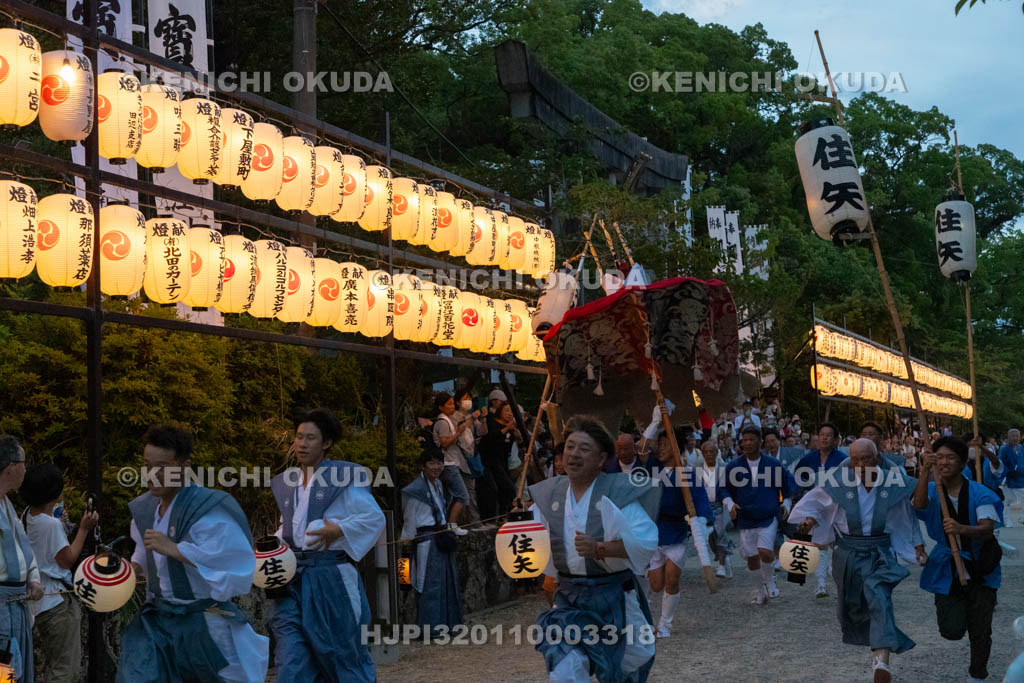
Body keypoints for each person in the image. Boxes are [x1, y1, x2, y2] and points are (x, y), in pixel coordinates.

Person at [119, 425, 268, 683]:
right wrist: (129, 570)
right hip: (159, 621)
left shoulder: (208, 509)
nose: (151, 474)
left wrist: (176, 549)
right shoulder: (145, 510)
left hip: (205, 621)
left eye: (162, 467)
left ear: (185, 467)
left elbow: (234, 563)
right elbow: (142, 558)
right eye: (146, 465)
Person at [528, 416, 660, 682]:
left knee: (631, 660)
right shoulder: (548, 496)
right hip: (569, 597)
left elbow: (645, 542)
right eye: (570, 447)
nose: (574, 454)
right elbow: (536, 545)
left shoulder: (617, 492)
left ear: (601, 459)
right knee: (565, 667)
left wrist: (600, 548)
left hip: (614, 593)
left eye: (584, 449)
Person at [788, 439, 927, 683]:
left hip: (879, 553)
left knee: (880, 599)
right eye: (855, 459)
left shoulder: (892, 483)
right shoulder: (838, 482)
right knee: (851, 609)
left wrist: (917, 545)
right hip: (848, 554)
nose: (861, 464)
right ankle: (878, 647)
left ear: (877, 458)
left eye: (866, 458)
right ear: (849, 460)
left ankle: (881, 659)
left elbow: (907, 516)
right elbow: (814, 505)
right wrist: (809, 521)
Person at [269, 409, 385, 683]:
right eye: (299, 437)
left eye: (310, 438)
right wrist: (269, 549)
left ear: (326, 443)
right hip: (294, 580)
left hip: (332, 576)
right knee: (290, 661)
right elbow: (290, 529)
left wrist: (340, 529)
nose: (302, 443)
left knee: (342, 656)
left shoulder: (343, 478)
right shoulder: (291, 483)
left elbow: (373, 517)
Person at [913, 437, 1003, 683]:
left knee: (981, 629)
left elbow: (986, 528)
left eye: (950, 457)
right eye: (939, 457)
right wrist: (924, 470)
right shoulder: (933, 491)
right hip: (946, 566)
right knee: (951, 630)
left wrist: (962, 529)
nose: (944, 462)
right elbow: (918, 505)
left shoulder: (980, 492)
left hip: (980, 564)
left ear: (963, 462)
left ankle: (977, 676)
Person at [21, 464, 98, 683]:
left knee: (49, 664)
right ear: (54, 492)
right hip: (56, 603)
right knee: (65, 669)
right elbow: (66, 560)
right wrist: (83, 529)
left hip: (38, 602)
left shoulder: (27, 515)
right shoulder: (51, 525)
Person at [647, 429, 713, 638]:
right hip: (653, 533)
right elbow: (641, 450)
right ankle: (646, 617)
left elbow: (700, 505)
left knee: (673, 580)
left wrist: (700, 521)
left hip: (676, 534)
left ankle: (665, 624)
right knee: (656, 585)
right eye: (659, 445)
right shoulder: (651, 470)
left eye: (666, 445)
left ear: (677, 448)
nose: (661, 449)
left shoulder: (689, 475)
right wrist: (657, 422)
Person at [721, 426, 796, 604]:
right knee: (752, 558)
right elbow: (723, 489)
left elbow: (787, 485)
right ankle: (758, 589)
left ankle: (770, 582)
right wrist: (730, 503)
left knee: (765, 552)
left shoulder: (772, 463)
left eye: (751, 439)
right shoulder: (734, 465)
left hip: (767, 515)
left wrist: (785, 502)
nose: (747, 443)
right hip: (745, 517)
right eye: (744, 440)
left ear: (760, 441)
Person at [401, 447, 462, 638]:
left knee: (447, 583)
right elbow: (410, 518)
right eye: (431, 463)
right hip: (425, 541)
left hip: (441, 537)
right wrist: (405, 542)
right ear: (423, 466)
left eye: (439, 462)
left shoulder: (437, 485)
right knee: (429, 585)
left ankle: (448, 624)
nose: (436, 467)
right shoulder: (415, 490)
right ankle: (430, 628)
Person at [0, 436, 42, 683]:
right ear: (11, 467)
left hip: (16, 602)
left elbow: (23, 549)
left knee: (14, 671)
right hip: (2, 603)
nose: (26, 469)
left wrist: (33, 579)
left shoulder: (7, 503)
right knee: (4, 673)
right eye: (23, 463)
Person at [792, 423, 845, 597]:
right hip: (817, 505)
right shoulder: (808, 459)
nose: (824, 438)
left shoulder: (843, 460)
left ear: (836, 440)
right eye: (821, 434)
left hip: (838, 504)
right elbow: (799, 479)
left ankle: (837, 574)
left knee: (840, 544)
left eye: (828, 435)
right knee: (820, 544)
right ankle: (821, 583)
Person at [432, 392, 475, 534]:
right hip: (448, 463)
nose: (452, 407)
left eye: (452, 403)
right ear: (440, 407)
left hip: (450, 462)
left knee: (448, 496)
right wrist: (458, 433)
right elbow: (444, 443)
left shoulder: (447, 420)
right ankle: (452, 524)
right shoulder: (443, 422)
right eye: (449, 404)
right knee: (462, 495)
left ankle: (445, 524)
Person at [697, 439, 734, 578]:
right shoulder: (697, 468)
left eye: (712, 451)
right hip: (705, 507)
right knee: (711, 538)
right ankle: (725, 558)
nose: (709, 454)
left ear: (717, 452)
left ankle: (722, 565)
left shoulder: (725, 468)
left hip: (721, 505)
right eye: (706, 452)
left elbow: (730, 488)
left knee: (721, 534)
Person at [998, 428, 1024, 526]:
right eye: (1013, 436)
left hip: (1021, 477)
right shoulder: (1004, 448)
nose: (1016, 438)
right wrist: (1008, 472)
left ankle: (1022, 517)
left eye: (1017, 436)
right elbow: (1000, 463)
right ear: (1008, 437)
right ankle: (1006, 520)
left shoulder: (1021, 447)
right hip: (1009, 478)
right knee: (1007, 500)